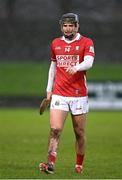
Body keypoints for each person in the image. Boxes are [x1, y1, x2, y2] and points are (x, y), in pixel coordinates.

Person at [39, 13, 95, 174]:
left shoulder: (86, 42)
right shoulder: (55, 43)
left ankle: (79, 165)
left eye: (71, 25)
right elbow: (53, 67)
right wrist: (49, 89)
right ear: (61, 26)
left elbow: (89, 62)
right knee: (55, 129)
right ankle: (50, 164)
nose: (68, 28)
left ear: (77, 26)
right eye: (65, 25)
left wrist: (76, 68)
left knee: (79, 133)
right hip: (59, 93)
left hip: (78, 95)